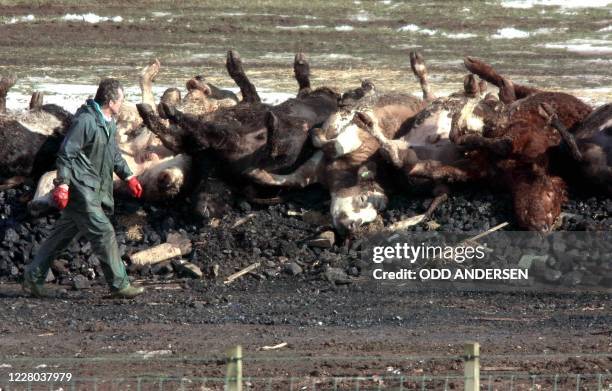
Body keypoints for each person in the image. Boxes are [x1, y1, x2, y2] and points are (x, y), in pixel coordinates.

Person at [23, 78, 145, 299]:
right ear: (110, 101)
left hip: (96, 188)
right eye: (121, 99)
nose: (123, 103)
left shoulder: (108, 121)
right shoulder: (86, 122)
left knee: (61, 235)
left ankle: (33, 277)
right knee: (104, 232)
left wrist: (128, 176)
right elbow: (66, 154)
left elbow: (113, 154)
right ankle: (119, 285)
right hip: (82, 189)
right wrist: (63, 185)